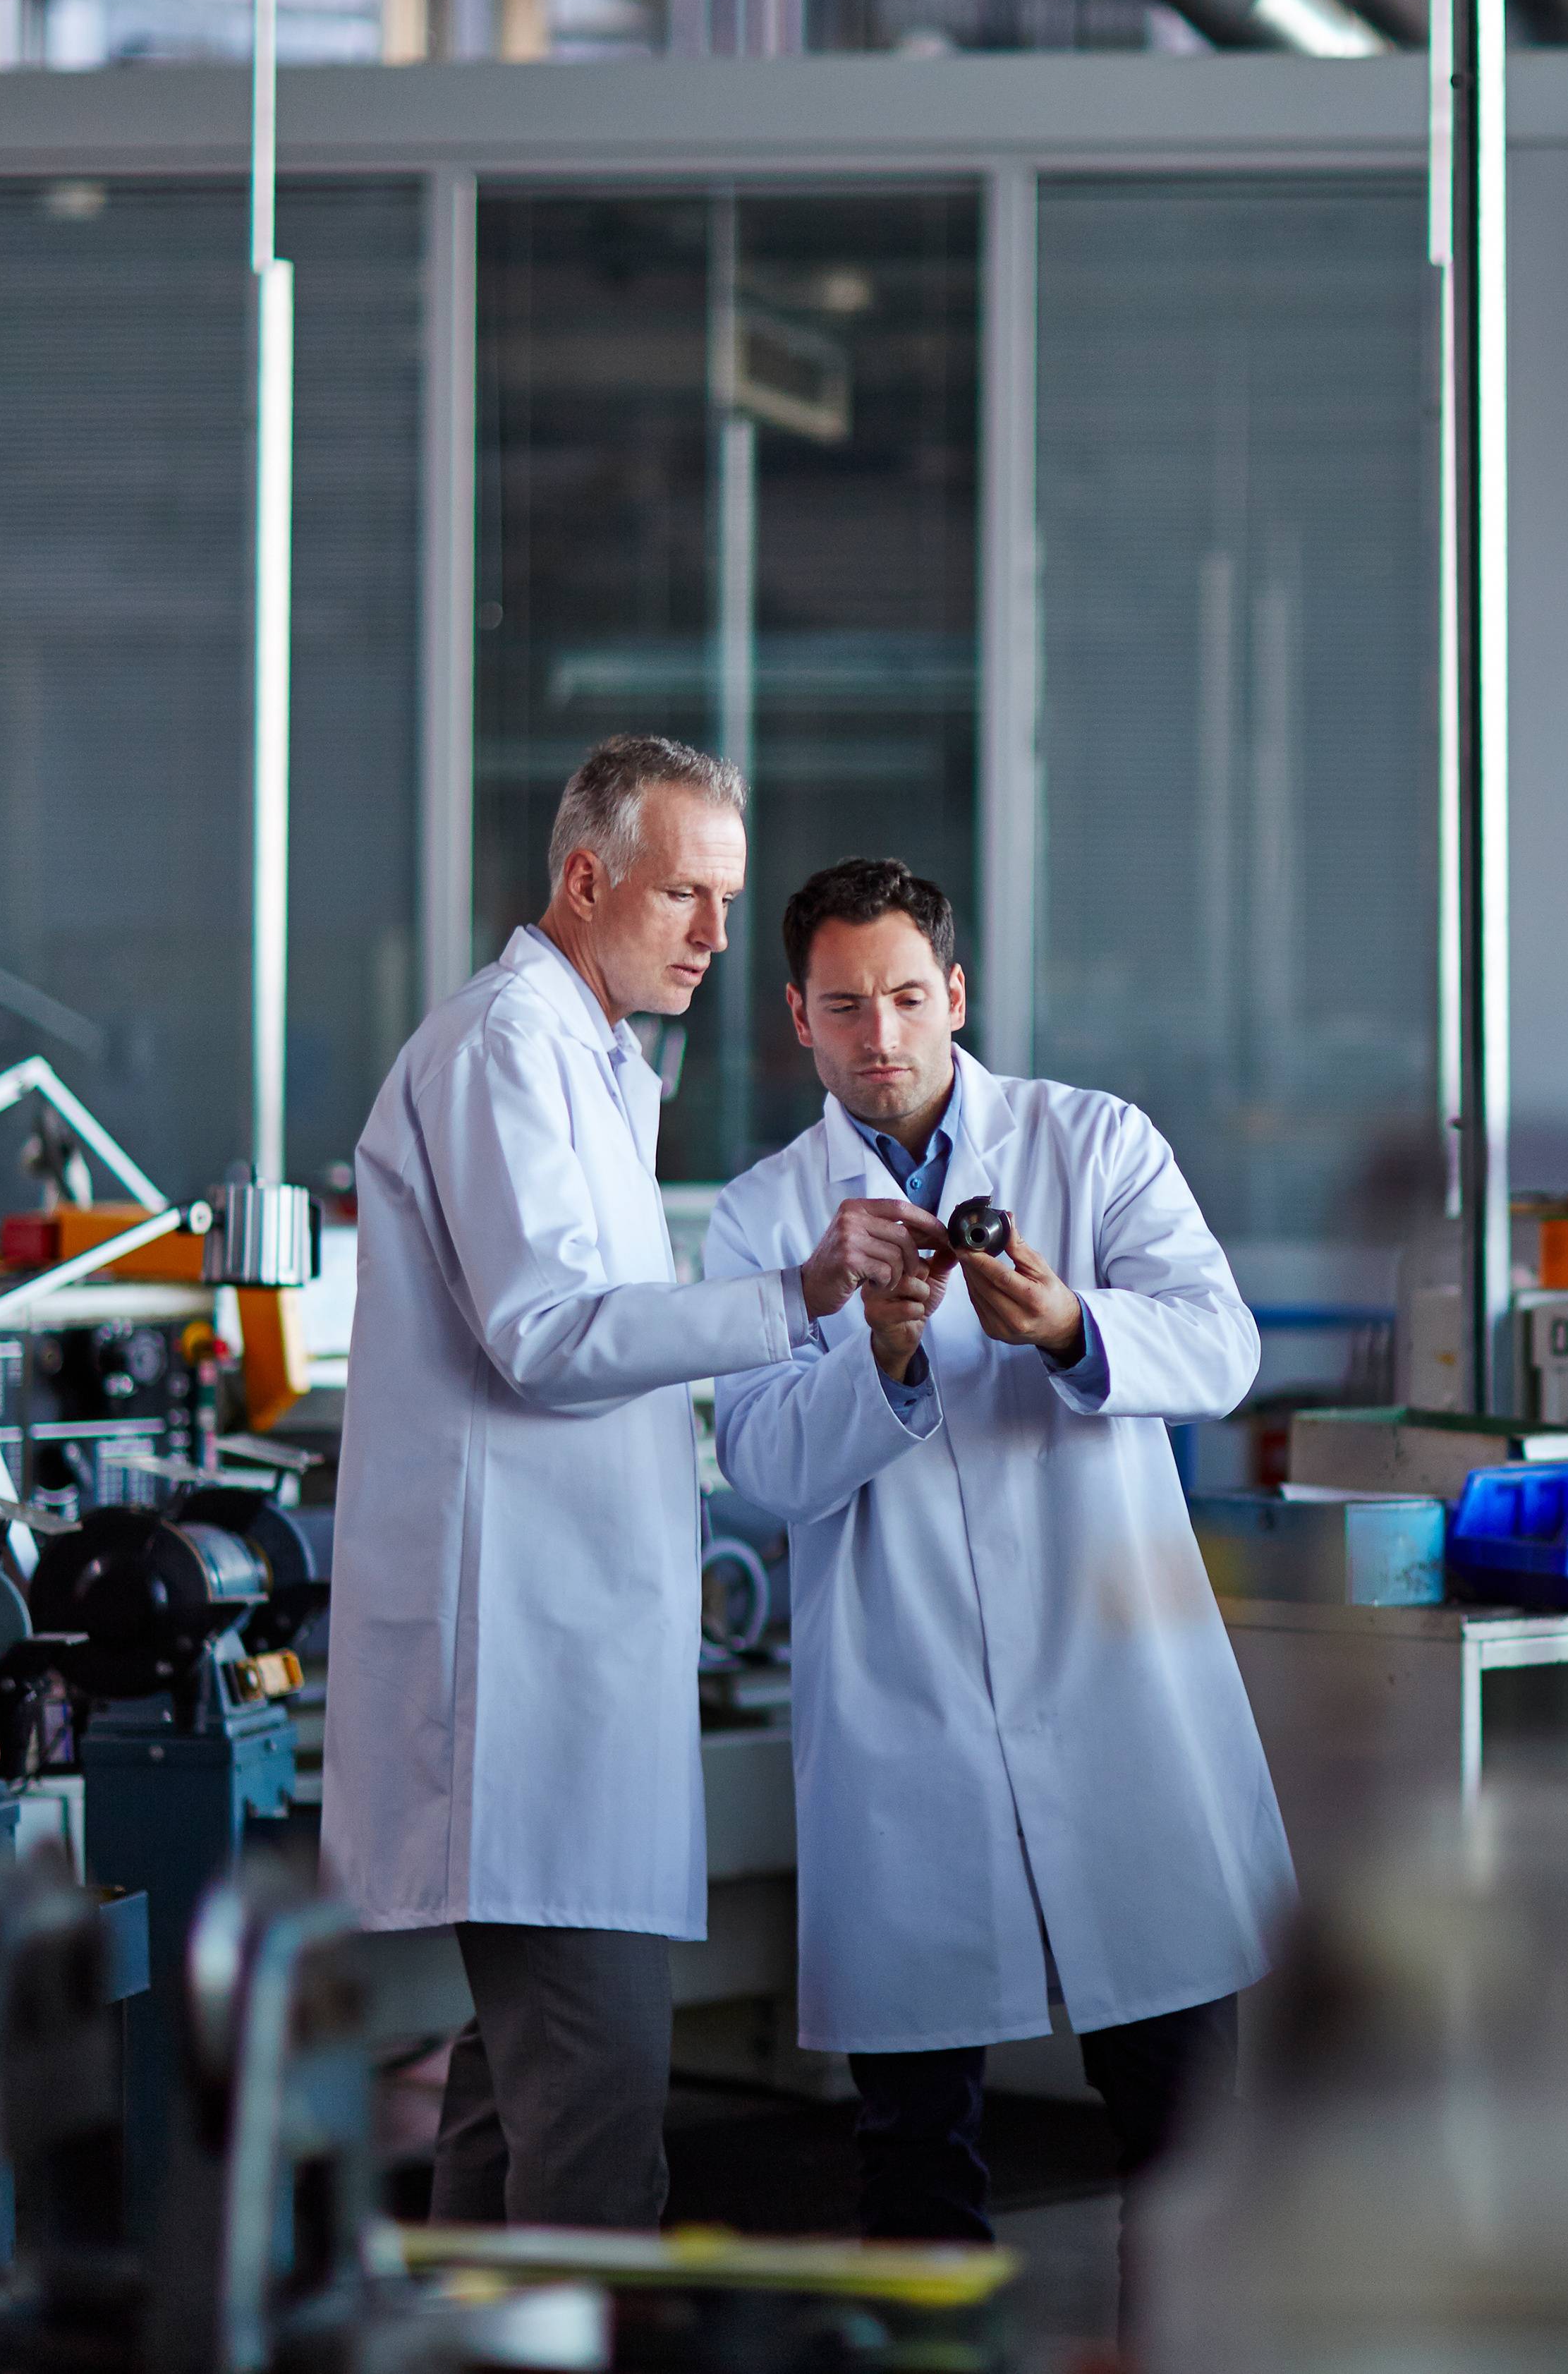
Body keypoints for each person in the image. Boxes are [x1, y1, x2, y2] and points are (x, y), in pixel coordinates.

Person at [324, 737, 914, 2229]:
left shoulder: (594, 1057)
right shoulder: (503, 1048)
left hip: (574, 1666)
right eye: (686, 899)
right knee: (588, 2141)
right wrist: (797, 1296)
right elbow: (549, 1334)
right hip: (526, 1686)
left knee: (510, 2115)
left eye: (725, 899)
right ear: (586, 880)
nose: (720, 937)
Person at [700, 857, 1292, 2250]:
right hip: (906, 1735)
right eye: (845, 1007)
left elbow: (1221, 1345)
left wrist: (1073, 1326)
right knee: (916, 2168)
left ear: (955, 992)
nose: (882, 1037)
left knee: (1186, 2146)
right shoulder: (766, 1218)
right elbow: (769, 1463)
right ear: (797, 1015)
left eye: (908, 997)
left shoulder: (1092, 1145)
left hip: (1114, 1703)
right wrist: (887, 1358)